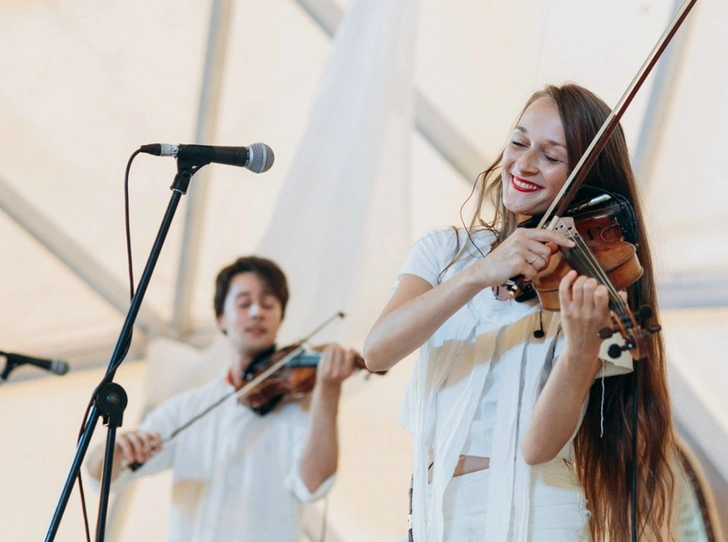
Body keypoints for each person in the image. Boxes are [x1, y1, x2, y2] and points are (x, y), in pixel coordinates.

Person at [364, 84, 676, 541]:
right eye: (518, 141)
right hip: (436, 516)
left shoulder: (593, 283)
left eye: (551, 157)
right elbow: (377, 352)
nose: (525, 164)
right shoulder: (445, 252)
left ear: (584, 177)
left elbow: (538, 447)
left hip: (537, 515)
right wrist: (478, 274)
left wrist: (581, 349)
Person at [87, 256, 357, 542]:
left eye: (268, 304)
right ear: (221, 319)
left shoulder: (299, 406)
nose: (257, 312)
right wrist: (113, 449)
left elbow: (314, 486)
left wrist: (328, 392)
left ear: (280, 317)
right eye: (244, 303)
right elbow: (102, 477)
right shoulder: (187, 407)